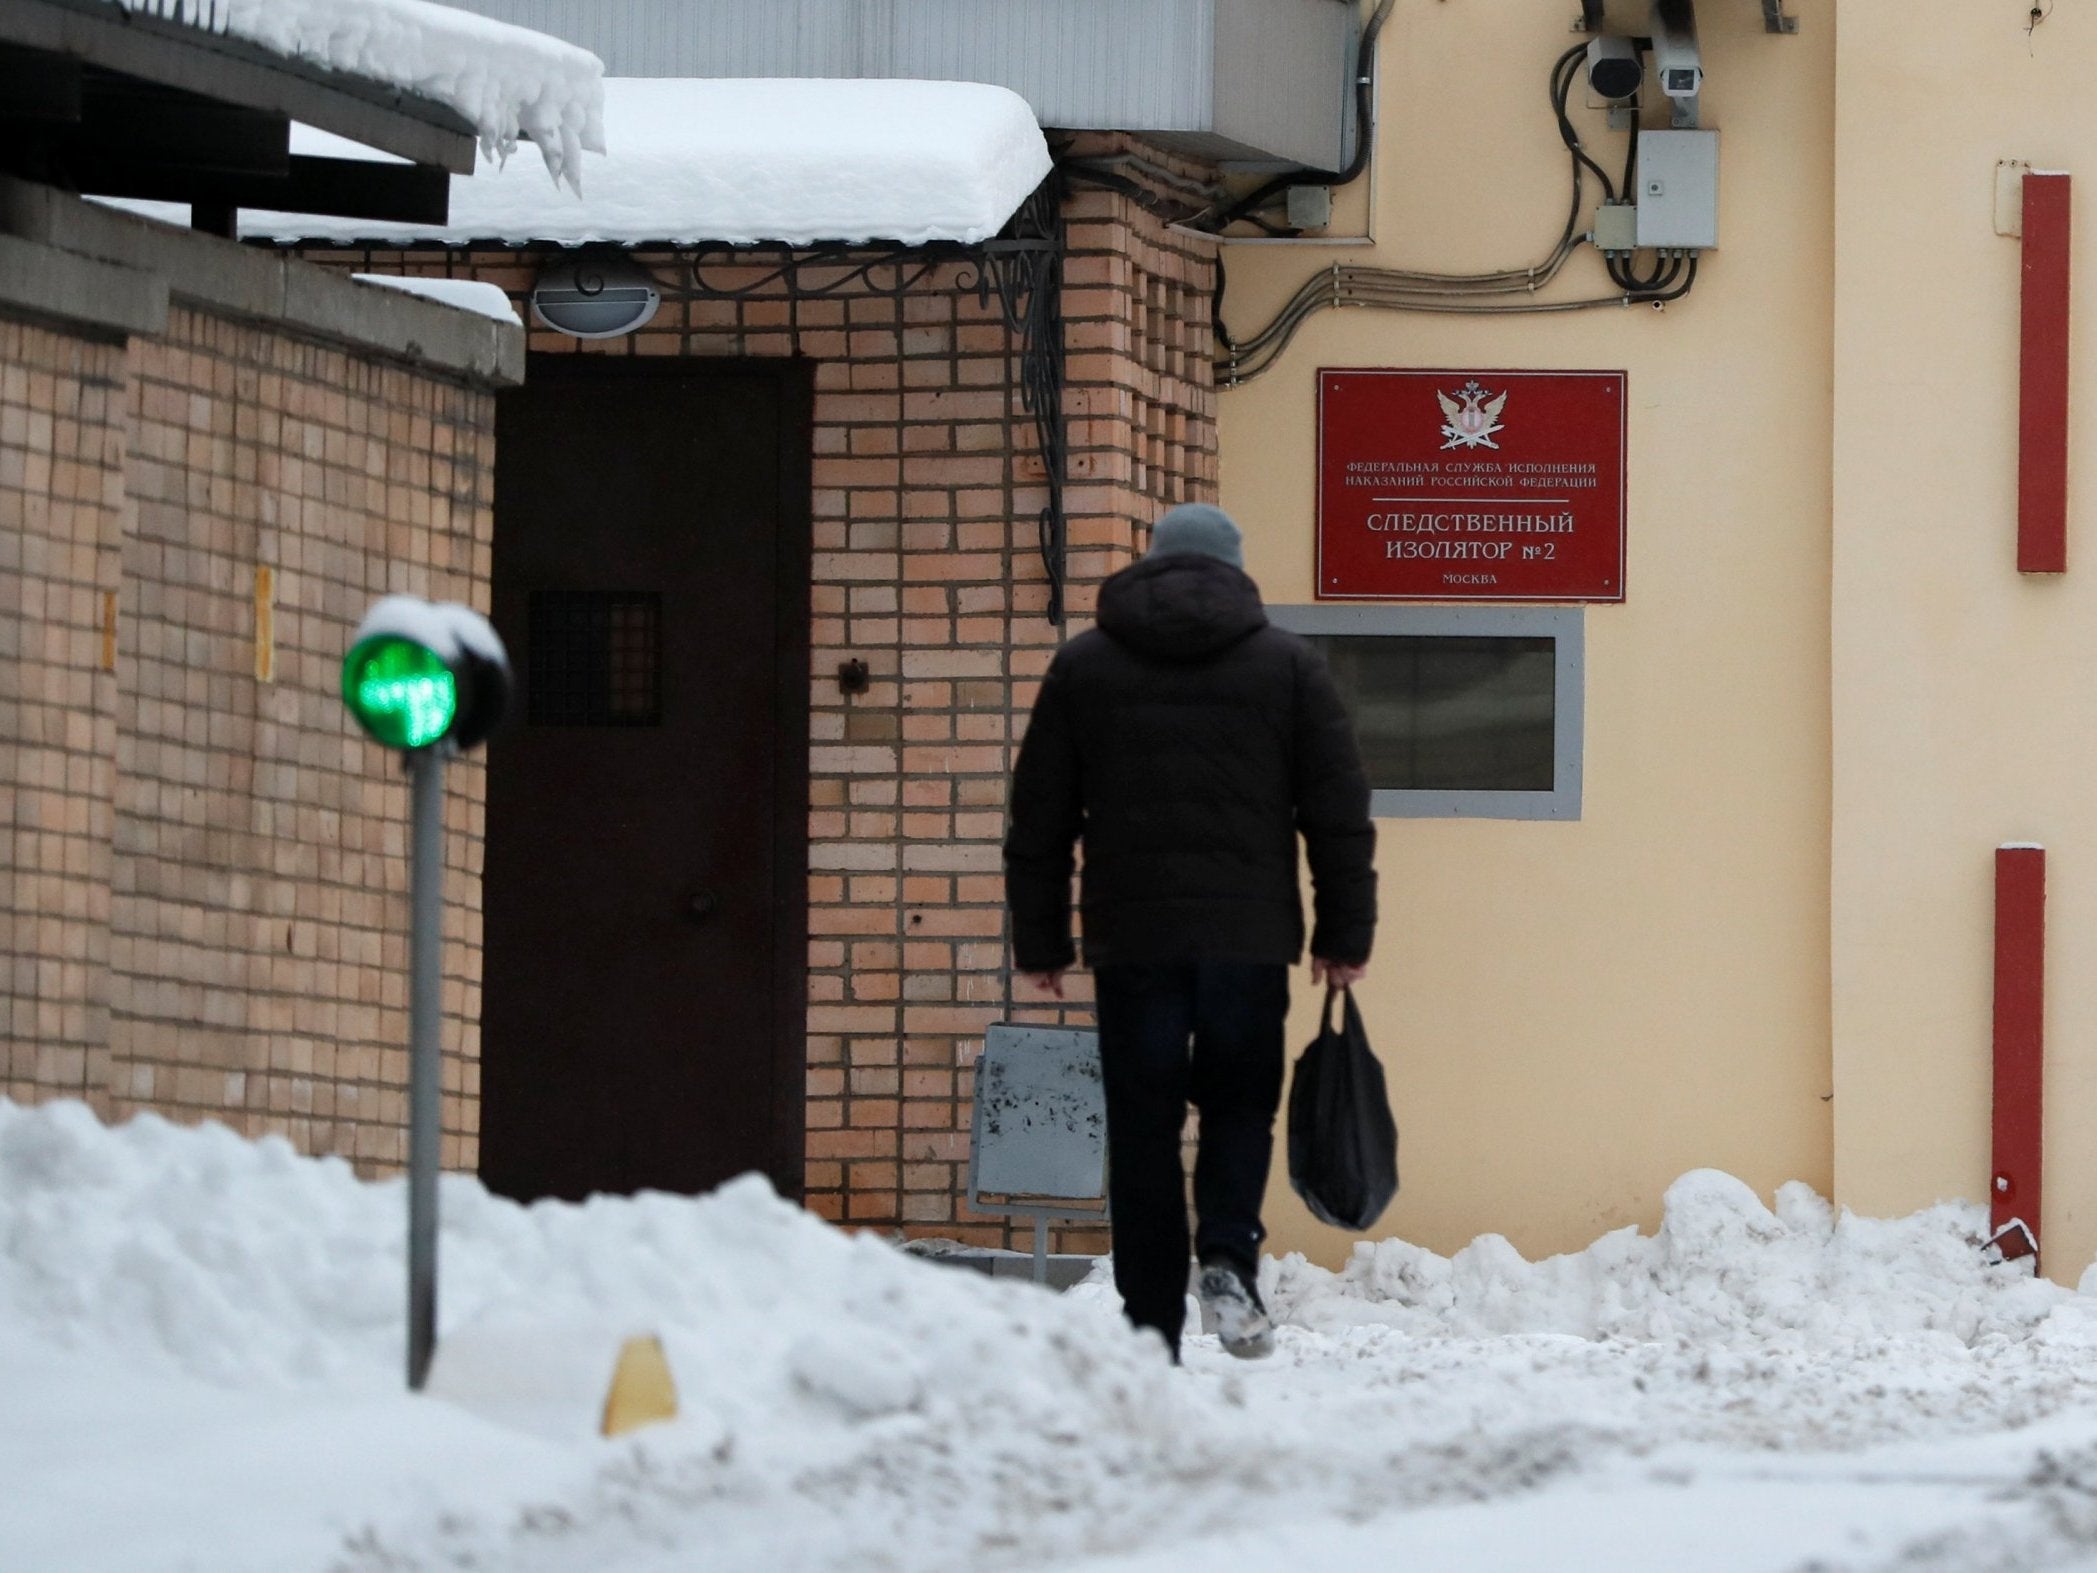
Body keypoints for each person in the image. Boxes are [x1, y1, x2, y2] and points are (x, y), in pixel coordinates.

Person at [1003, 502, 1376, 1362]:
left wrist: (1043, 941)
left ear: (1152, 564)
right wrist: (1342, 933)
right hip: (1247, 940)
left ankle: (1148, 1328)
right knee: (1239, 1105)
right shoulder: (1289, 667)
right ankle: (1226, 1259)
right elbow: (1338, 814)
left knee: (1142, 1124)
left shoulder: (1083, 666)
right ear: (1233, 569)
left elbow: (1040, 818)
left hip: (1132, 940)